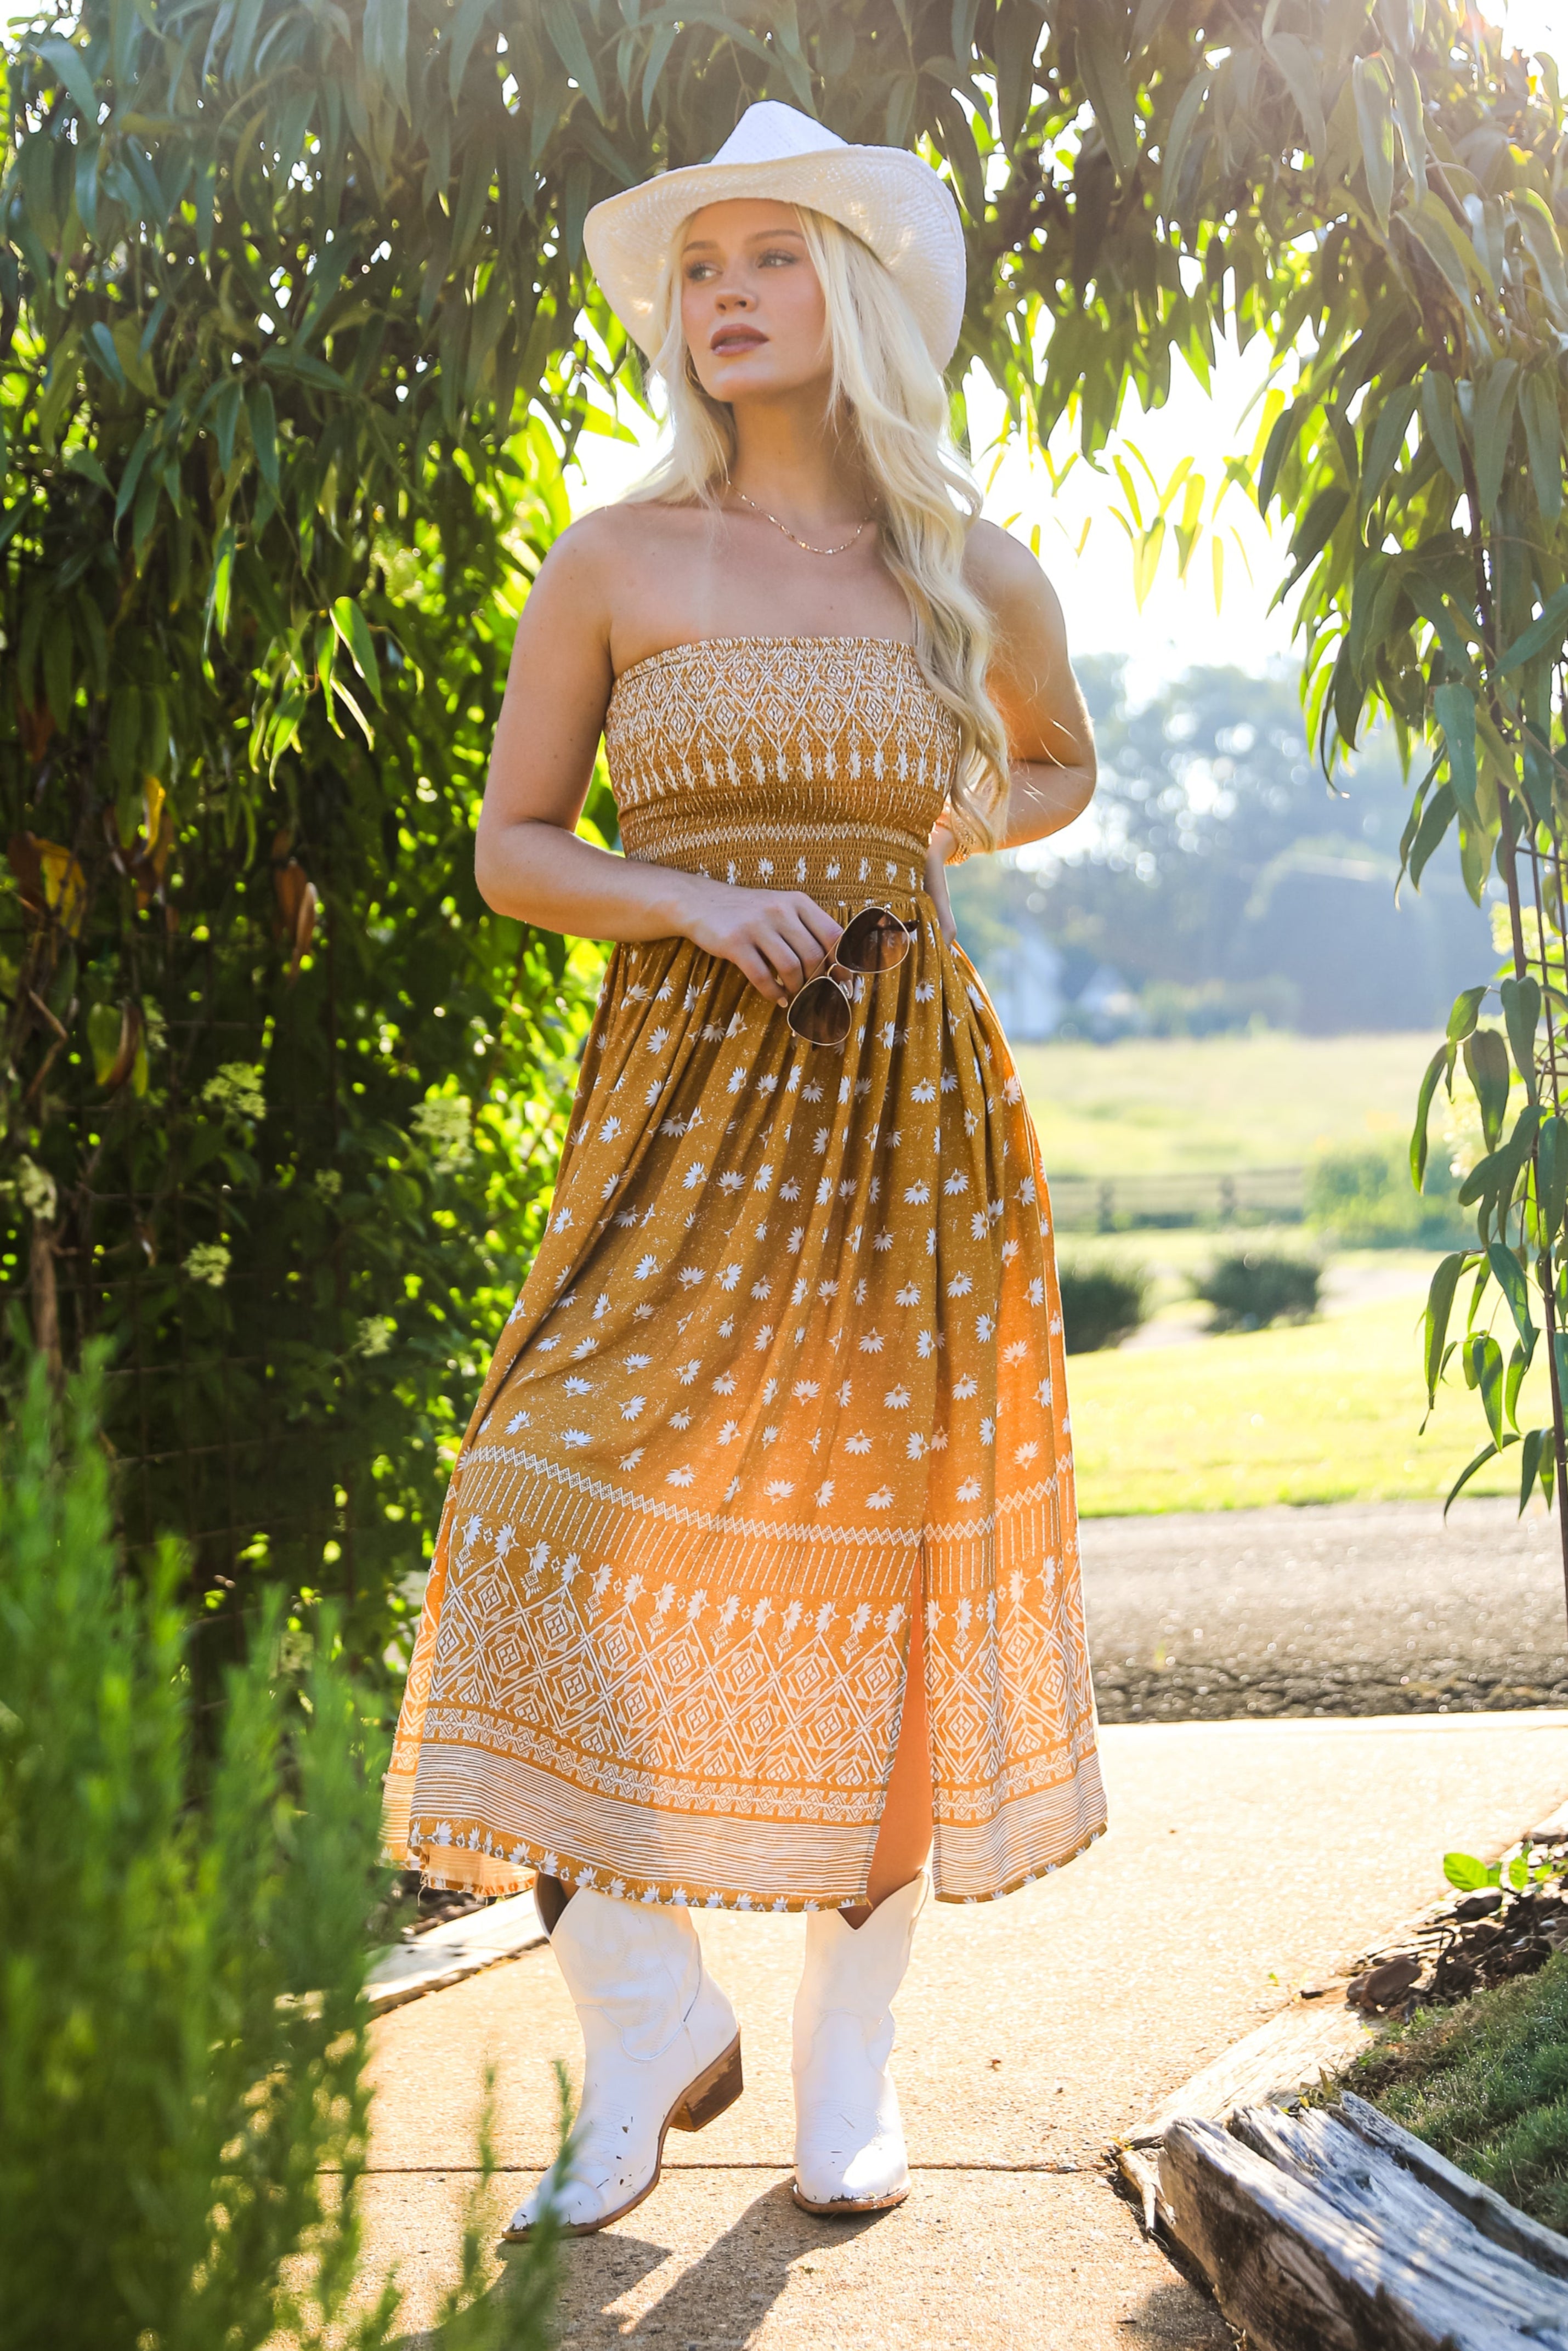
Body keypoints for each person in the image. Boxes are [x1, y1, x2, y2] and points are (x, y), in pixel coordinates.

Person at [382, 99, 1105, 2239]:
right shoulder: (612, 557)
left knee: (878, 1577)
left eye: (766, 260)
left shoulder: (967, 572)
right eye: (699, 270)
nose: (720, 298)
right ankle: (642, 2013)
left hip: (908, 1125)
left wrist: (918, 840)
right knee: (531, 1508)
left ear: (854, 298)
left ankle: (848, 2061)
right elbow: (516, 848)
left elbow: (1060, 761)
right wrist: (701, 902)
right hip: (679, 1113)